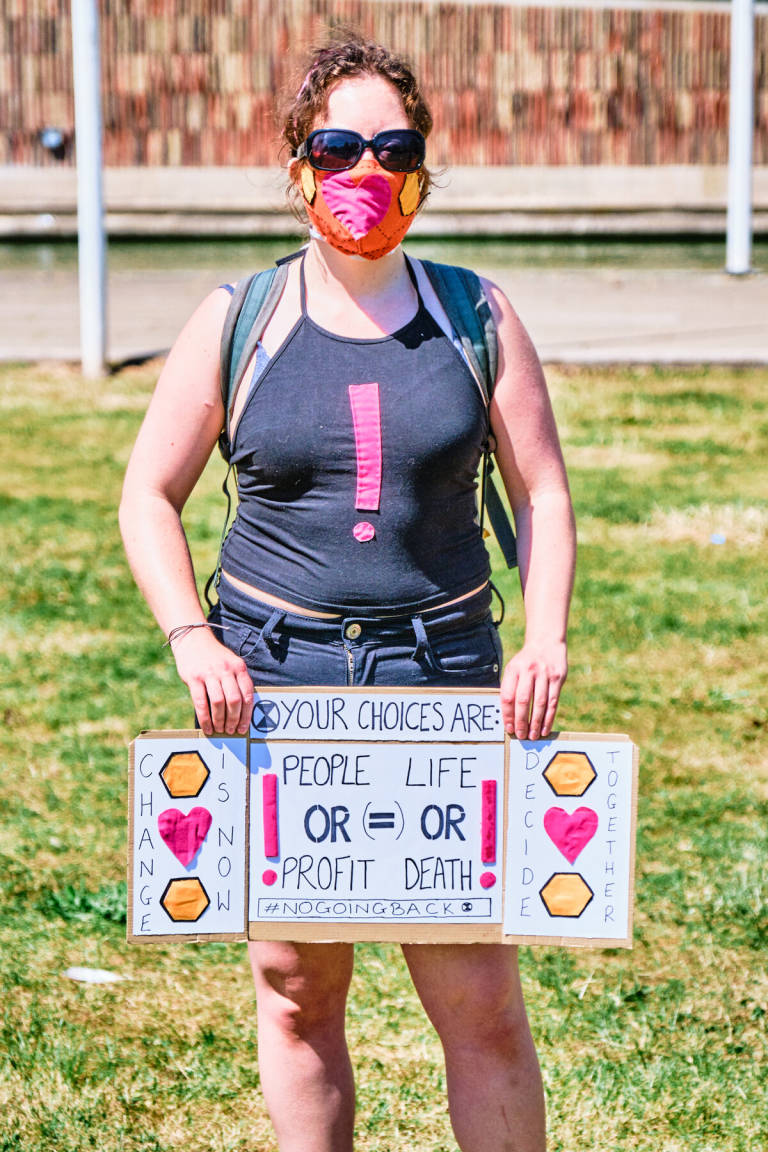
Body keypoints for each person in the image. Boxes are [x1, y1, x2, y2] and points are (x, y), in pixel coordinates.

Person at [120, 35, 575, 1152]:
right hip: (275, 683)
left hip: (446, 677)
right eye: (338, 145)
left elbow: (546, 494)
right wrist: (192, 635)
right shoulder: (241, 319)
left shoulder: (477, 315)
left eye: (393, 147)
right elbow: (147, 493)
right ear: (297, 166)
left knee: (477, 998)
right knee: (294, 989)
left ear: (423, 168)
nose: (364, 171)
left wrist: (545, 640)